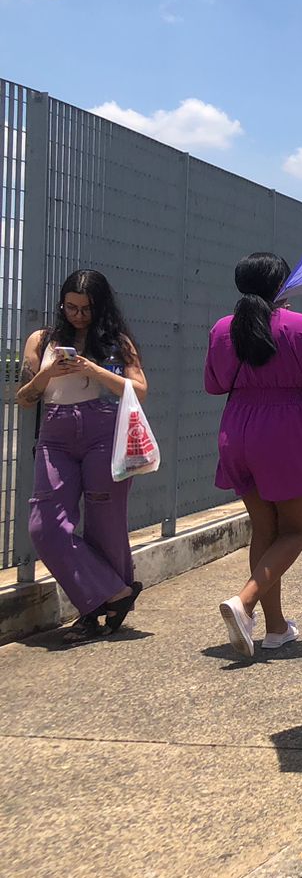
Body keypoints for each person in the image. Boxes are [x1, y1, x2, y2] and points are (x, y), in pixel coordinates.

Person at [207, 252, 302, 658]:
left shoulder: (221, 329)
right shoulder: (301, 325)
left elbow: (215, 384)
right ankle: (244, 602)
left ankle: (276, 628)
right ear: (283, 286)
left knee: (264, 529)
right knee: (297, 529)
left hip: (237, 426)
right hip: (284, 426)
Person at [16, 270, 150, 644]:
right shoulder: (43, 340)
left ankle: (92, 612)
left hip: (103, 430)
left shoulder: (116, 342)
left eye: (86, 308)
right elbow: (24, 398)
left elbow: (140, 388)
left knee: (106, 524)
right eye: (71, 307)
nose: (77, 315)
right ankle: (116, 592)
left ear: (99, 307)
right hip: (55, 434)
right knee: (45, 526)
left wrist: (92, 369)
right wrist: (48, 374)